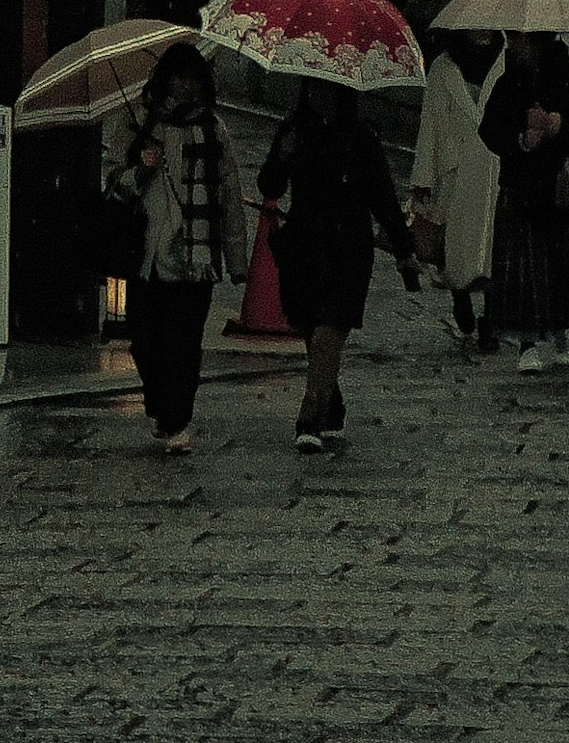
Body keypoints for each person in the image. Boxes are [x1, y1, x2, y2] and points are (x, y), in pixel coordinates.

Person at [256, 80, 424, 450]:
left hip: (348, 247)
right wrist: (281, 156)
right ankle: (332, 404)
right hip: (304, 246)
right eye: (314, 89)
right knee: (312, 332)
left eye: (329, 90)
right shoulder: (294, 131)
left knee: (330, 328)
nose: (321, 97)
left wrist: (403, 249)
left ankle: (310, 414)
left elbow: (382, 196)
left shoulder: (361, 137)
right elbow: (270, 186)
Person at [102, 39, 241, 458]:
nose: (185, 88)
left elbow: (229, 195)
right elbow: (112, 183)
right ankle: (162, 406)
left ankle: (178, 417)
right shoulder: (137, 124)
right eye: (179, 78)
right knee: (144, 341)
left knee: (184, 343)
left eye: (193, 80)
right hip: (145, 257)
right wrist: (140, 169)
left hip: (195, 259)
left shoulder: (212, 129)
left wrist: (237, 259)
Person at [478, 37, 569, 373]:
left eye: (520, 38)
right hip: (522, 188)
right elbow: (488, 129)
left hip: (563, 192)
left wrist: (560, 127)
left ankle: (560, 330)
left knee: (561, 267)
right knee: (526, 270)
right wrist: (521, 138)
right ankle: (528, 342)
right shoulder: (510, 83)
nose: (513, 44)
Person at [418, 29, 505, 349]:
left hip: (494, 168)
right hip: (455, 170)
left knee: (494, 246)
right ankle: (460, 297)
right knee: (457, 246)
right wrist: (422, 179)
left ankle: (492, 319)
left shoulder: (505, 60)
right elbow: (429, 125)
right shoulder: (443, 67)